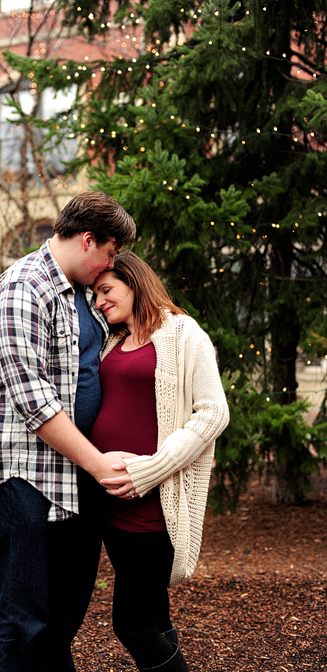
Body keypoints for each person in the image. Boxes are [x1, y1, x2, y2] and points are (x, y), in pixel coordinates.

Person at [0, 191, 137, 672]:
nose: (111, 265)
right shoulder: (22, 288)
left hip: (82, 478)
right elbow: (33, 401)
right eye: (110, 253)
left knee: (64, 618)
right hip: (28, 480)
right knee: (23, 622)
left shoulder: (86, 294)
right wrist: (99, 463)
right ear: (89, 240)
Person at [90, 252, 230, 671]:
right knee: (154, 616)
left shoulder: (184, 334)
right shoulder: (112, 339)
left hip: (152, 504)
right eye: (95, 295)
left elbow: (213, 413)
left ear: (134, 283)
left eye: (106, 291)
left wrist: (149, 470)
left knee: (132, 627)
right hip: (112, 504)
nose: (99, 302)